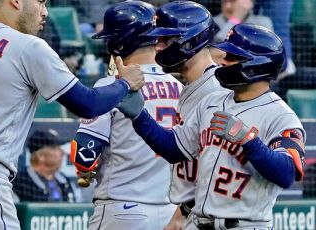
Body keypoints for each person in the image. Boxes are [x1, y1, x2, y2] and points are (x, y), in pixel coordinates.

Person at [0, 0, 145, 229]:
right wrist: (125, 84)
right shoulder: (27, 46)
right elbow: (88, 104)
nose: (45, 12)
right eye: (41, 2)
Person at [117, 23, 306, 229]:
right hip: (198, 222)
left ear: (256, 66)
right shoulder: (212, 101)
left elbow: (287, 174)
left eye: (233, 57)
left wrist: (248, 141)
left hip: (246, 225)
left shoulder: (281, 116)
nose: (223, 60)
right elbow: (174, 148)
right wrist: (140, 116)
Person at [70, 1, 181, 229]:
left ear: (119, 43)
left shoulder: (113, 86)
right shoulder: (180, 88)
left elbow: (85, 154)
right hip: (171, 213)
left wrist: (85, 170)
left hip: (123, 210)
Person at [143, 2, 225, 230]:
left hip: (210, 216)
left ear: (191, 40)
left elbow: (217, 166)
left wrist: (183, 213)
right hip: (194, 211)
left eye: (165, 40)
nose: (157, 47)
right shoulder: (192, 84)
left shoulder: (215, 91)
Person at [12, 130, 75, 202]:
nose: (62, 152)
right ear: (40, 156)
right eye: (55, 148)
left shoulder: (64, 181)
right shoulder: (20, 182)